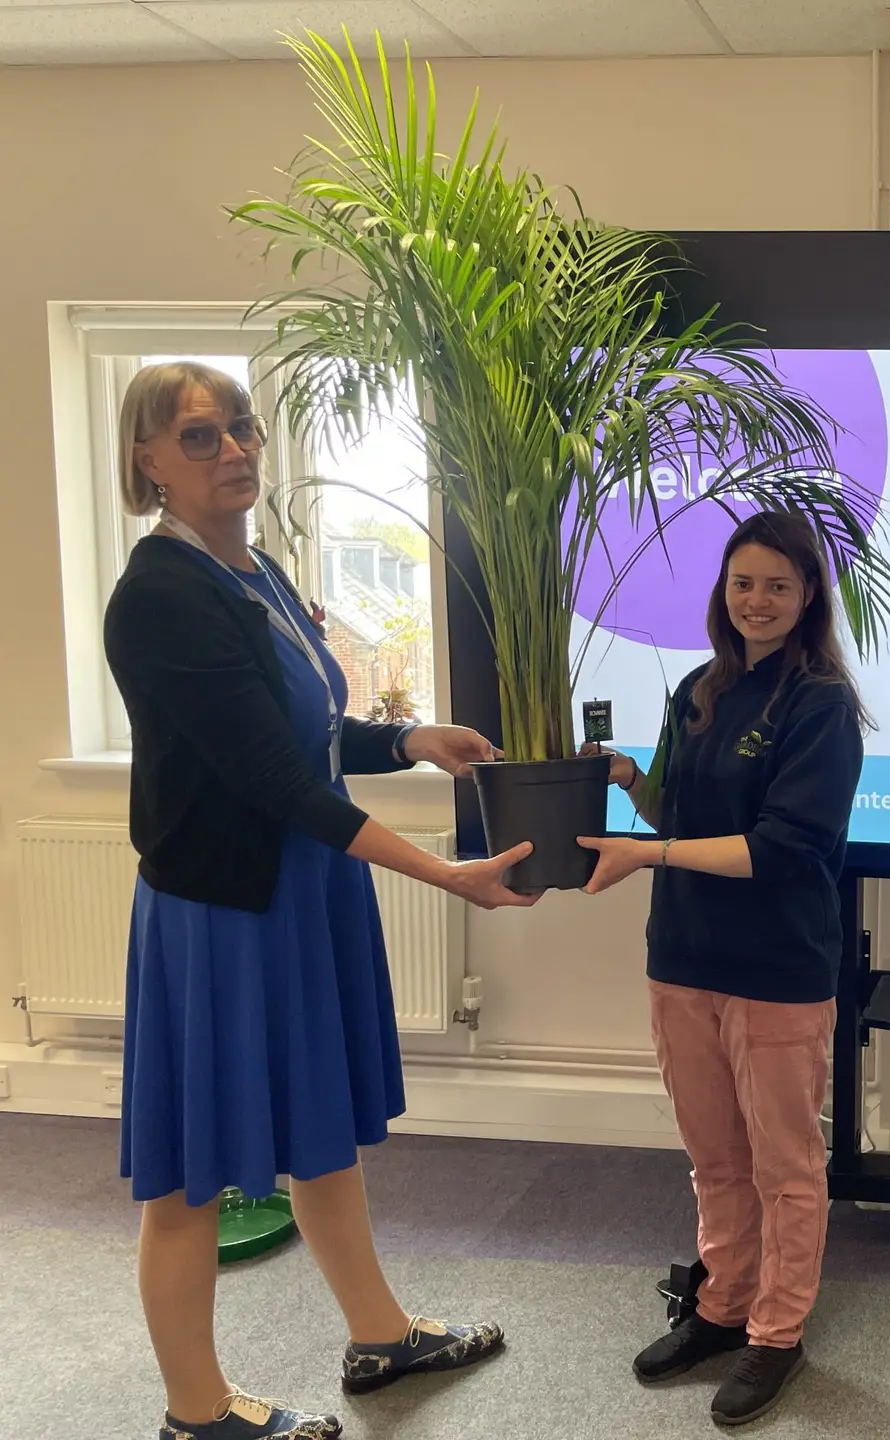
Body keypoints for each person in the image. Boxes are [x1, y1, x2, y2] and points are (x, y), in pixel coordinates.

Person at [105, 362, 536, 1440]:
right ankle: (196, 1412)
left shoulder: (253, 569)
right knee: (191, 1179)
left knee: (320, 1128)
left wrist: (411, 739)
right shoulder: (161, 596)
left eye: (241, 427)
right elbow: (273, 780)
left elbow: (309, 736)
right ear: (146, 461)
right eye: (198, 437)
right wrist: (446, 875)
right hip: (223, 914)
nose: (233, 449)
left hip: (300, 889)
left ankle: (380, 1336)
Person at [578, 511, 867, 1428]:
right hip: (683, 958)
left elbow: (784, 847)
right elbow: (678, 816)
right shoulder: (697, 688)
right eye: (743, 583)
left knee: (785, 1165)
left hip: (777, 966)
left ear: (808, 596)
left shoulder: (821, 705)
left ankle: (776, 1334)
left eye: (778, 585)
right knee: (714, 1158)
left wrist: (649, 855)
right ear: (723, 592)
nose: (757, 600)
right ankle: (722, 1306)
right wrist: (630, 780)